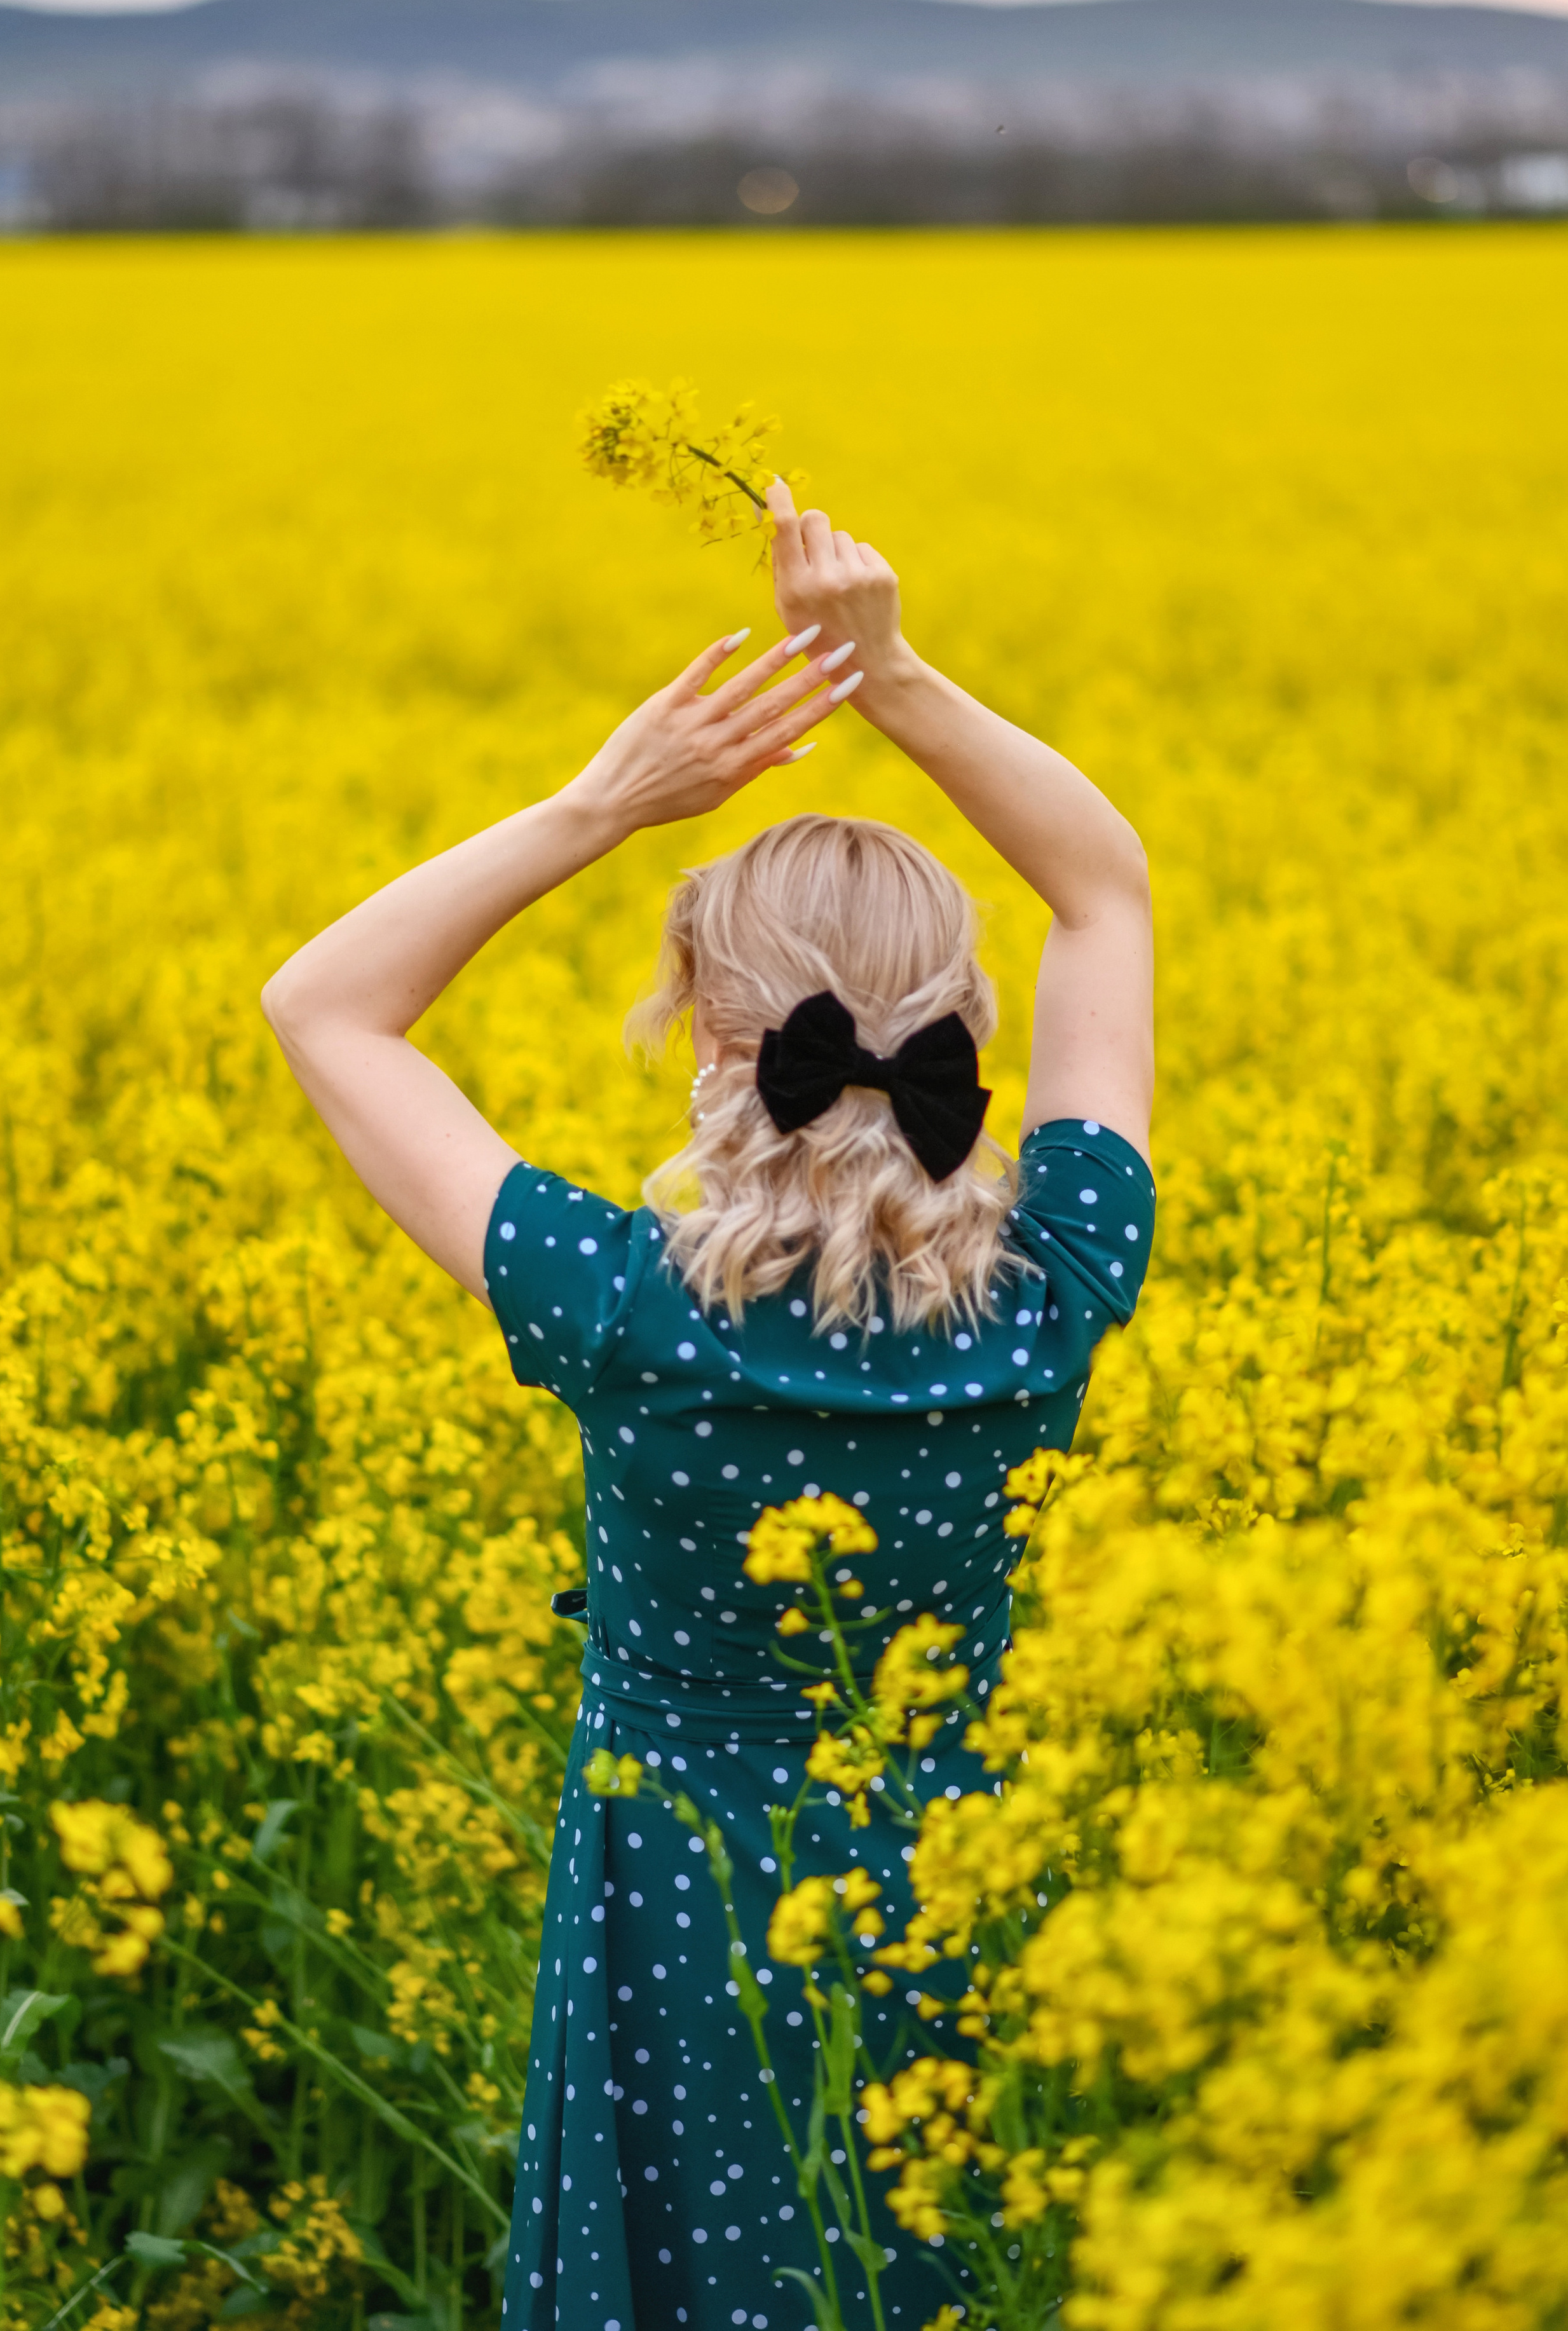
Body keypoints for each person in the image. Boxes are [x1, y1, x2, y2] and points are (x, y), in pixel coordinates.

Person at [262, 481, 1155, 2331]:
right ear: (965, 1027)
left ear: (712, 1041)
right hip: (953, 1909)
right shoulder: (1056, 1296)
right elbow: (1107, 883)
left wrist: (606, 806)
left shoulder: (625, 1313)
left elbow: (327, 1008)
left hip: (677, 1930)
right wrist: (891, 670)